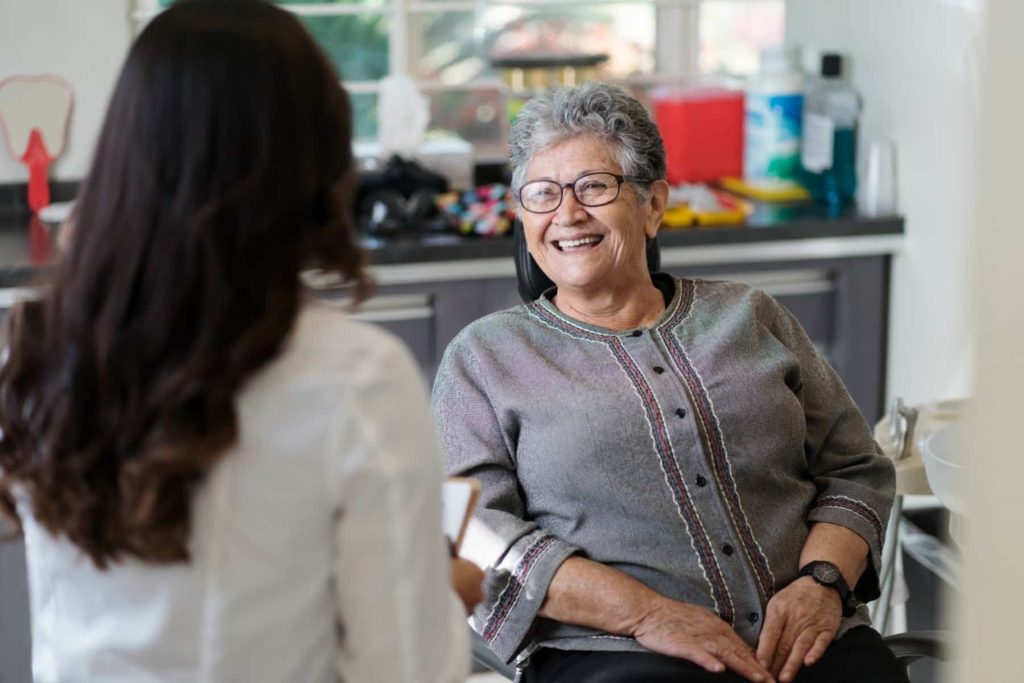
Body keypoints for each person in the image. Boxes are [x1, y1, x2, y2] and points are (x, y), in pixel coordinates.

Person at [0, 1, 478, 680]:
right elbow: (404, 670)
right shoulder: (354, 377)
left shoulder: (43, 349)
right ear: (318, 158)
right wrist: (442, 595)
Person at [432, 82, 907, 683]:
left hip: (811, 638)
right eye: (543, 194)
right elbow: (477, 532)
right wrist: (645, 614)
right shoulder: (484, 358)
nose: (567, 214)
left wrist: (823, 583)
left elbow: (856, 468)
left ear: (653, 204)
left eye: (594, 187)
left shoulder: (751, 315)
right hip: (614, 656)